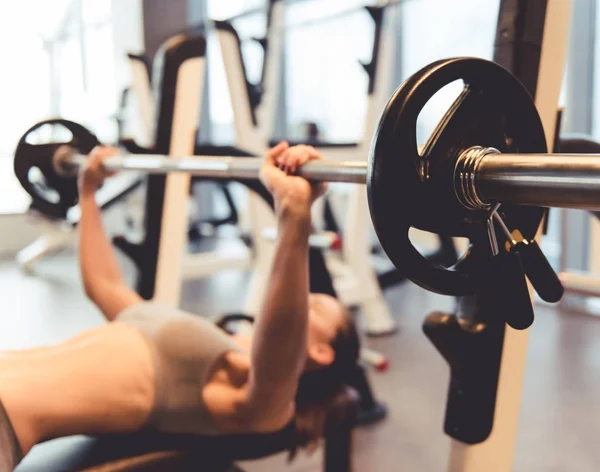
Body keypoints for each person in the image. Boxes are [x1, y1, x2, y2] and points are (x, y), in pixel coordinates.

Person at [0, 142, 360, 471]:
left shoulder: (258, 400)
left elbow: (279, 355)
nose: (302, 299)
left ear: (320, 351)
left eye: (311, 307)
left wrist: (294, 214)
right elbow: (104, 285)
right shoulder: (206, 338)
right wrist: (89, 192)